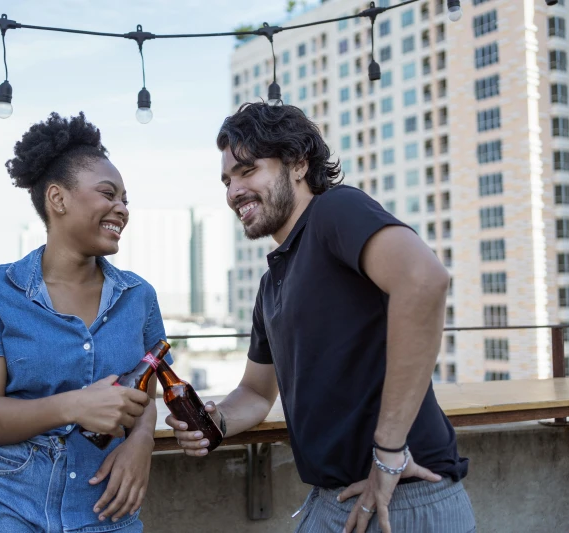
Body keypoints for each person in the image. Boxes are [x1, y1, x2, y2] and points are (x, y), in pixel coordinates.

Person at [167, 102, 474, 533]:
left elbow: (424, 281)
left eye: (247, 170)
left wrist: (387, 454)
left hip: (401, 497)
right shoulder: (271, 285)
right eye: (227, 180)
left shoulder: (334, 211)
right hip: (331, 500)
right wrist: (213, 422)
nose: (233, 191)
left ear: (297, 163)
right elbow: (256, 392)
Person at [0, 112, 169, 533]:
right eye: (108, 194)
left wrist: (140, 443)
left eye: (125, 199)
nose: (121, 209)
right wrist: (76, 405)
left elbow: (144, 399)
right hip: (2, 501)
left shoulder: (139, 297)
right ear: (58, 199)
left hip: (105, 503)